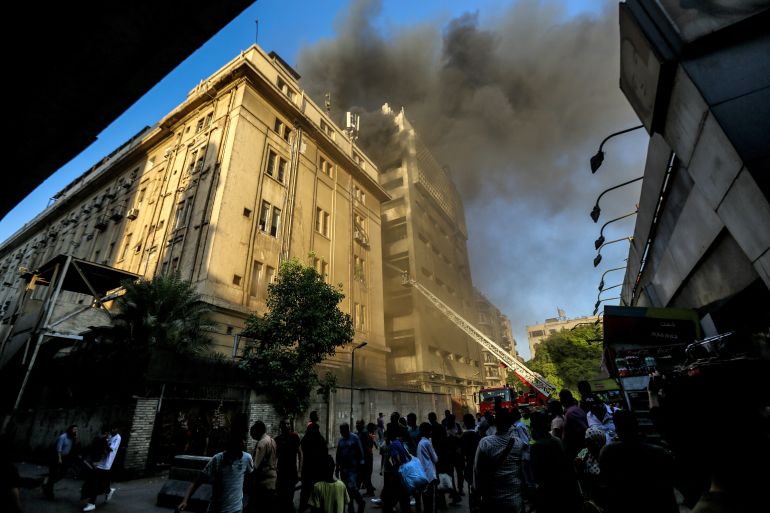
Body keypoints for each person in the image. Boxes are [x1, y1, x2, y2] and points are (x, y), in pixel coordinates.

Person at [598, 409, 678, 513]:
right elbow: (668, 491)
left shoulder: (608, 453)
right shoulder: (658, 453)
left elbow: (606, 486)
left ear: (617, 430)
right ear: (637, 426)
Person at [178, 432, 254, 513]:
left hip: (236, 509)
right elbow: (197, 481)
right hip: (216, 509)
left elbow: (252, 481)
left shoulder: (246, 458)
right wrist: (185, 501)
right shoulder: (217, 459)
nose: (239, 455)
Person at [528, 411, 582, 513]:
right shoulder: (557, 441)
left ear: (533, 427)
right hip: (564, 489)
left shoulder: (536, 447)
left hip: (549, 492)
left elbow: (537, 476)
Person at [473, 409, 525, 513]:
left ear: (495, 423)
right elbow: (521, 469)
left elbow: (477, 470)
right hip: (514, 499)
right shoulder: (518, 443)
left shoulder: (485, 442)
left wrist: (477, 492)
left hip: (492, 499)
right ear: (510, 424)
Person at [81, 423, 121, 512]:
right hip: (99, 463)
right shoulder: (107, 436)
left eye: (114, 429)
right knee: (99, 482)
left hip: (106, 464)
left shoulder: (117, 438)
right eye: (111, 429)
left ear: (117, 429)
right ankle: (108, 491)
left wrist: (104, 442)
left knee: (95, 483)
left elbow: (110, 449)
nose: (112, 431)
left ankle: (92, 503)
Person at [335, 423, 365, 513]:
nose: (341, 432)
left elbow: (361, 453)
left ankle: (360, 501)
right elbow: (338, 455)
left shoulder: (354, 438)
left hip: (353, 469)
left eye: (342, 430)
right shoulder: (341, 440)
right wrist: (337, 467)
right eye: (340, 430)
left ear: (347, 430)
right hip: (343, 469)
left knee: (352, 487)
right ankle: (351, 508)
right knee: (346, 489)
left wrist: (361, 467)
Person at [42, 424, 78, 500]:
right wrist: (59, 459)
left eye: (76, 430)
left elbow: (73, 448)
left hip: (65, 458)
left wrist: (75, 439)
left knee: (63, 473)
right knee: (53, 474)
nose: (75, 431)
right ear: (70, 429)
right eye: (74, 429)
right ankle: (49, 493)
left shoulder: (72, 438)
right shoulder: (63, 437)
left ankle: (47, 485)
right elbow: (58, 448)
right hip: (56, 457)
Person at [248, 421, 277, 513]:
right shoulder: (272, 440)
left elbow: (255, 466)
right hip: (272, 481)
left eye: (252, 433)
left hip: (263, 483)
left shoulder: (261, 443)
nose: (252, 436)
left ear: (258, 431)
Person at [299, 423, 329, 513]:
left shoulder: (306, 439)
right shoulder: (320, 439)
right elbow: (325, 455)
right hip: (317, 471)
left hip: (308, 470)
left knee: (306, 492)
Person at [275, 420, 301, 513]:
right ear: (281, 426)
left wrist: (299, 470)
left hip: (292, 471)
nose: (287, 425)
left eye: (288, 423)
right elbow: (275, 456)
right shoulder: (277, 439)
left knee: (290, 496)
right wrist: (275, 469)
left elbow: (300, 453)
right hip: (281, 472)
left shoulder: (294, 437)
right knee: (281, 496)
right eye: (285, 424)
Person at [558, 389, 587, 461]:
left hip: (576, 450)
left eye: (561, 399)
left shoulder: (571, 413)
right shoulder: (577, 409)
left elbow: (583, 429)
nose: (560, 401)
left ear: (564, 400)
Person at [415, 422, 438, 513]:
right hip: (429, 473)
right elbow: (435, 459)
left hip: (422, 472)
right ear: (428, 431)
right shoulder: (427, 443)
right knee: (430, 498)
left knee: (425, 496)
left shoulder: (420, 443)